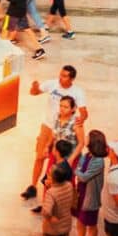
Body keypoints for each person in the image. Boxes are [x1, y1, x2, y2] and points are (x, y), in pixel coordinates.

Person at [23, 66, 87, 200]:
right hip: (49, 127)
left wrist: (80, 120)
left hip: (65, 133)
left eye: (64, 76)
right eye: (60, 74)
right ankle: (33, 186)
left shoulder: (77, 92)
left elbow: (84, 112)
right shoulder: (52, 84)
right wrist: (34, 87)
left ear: (72, 79)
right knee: (40, 157)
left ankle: (64, 198)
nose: (60, 78)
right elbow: (34, 92)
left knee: (65, 168)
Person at [72, 130, 107, 236]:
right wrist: (78, 172)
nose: (85, 137)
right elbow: (80, 169)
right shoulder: (86, 155)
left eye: (88, 137)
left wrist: (77, 171)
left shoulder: (99, 161)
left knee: (91, 223)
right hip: (81, 192)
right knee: (80, 219)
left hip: (90, 196)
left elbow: (84, 176)